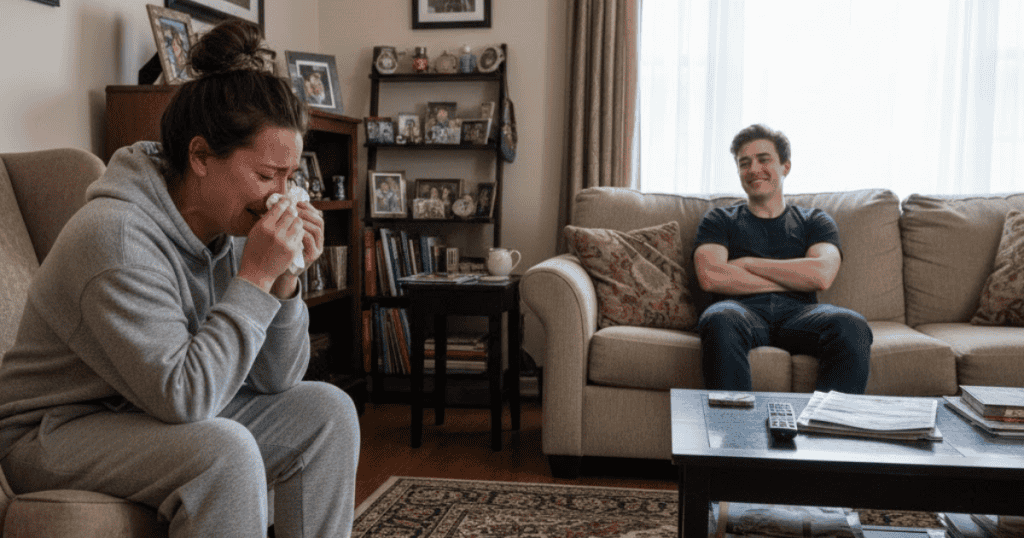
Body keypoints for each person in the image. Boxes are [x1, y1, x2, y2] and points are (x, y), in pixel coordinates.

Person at [0, 20, 360, 538]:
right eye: (265, 176)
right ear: (200, 157)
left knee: (329, 412)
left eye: (290, 176)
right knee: (224, 453)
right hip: (54, 430)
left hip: (147, 407)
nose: (283, 196)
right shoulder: (117, 239)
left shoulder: (233, 220)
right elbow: (187, 398)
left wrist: (284, 284)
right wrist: (256, 277)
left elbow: (275, 379)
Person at [693, 124, 872, 393]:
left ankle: (826, 428)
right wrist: (795, 278)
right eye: (745, 163)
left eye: (763, 159)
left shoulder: (815, 220)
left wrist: (747, 263)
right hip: (741, 313)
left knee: (851, 325)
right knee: (718, 318)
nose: (753, 169)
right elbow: (712, 277)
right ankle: (734, 432)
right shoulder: (719, 219)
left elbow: (821, 275)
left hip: (800, 316)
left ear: (785, 166)